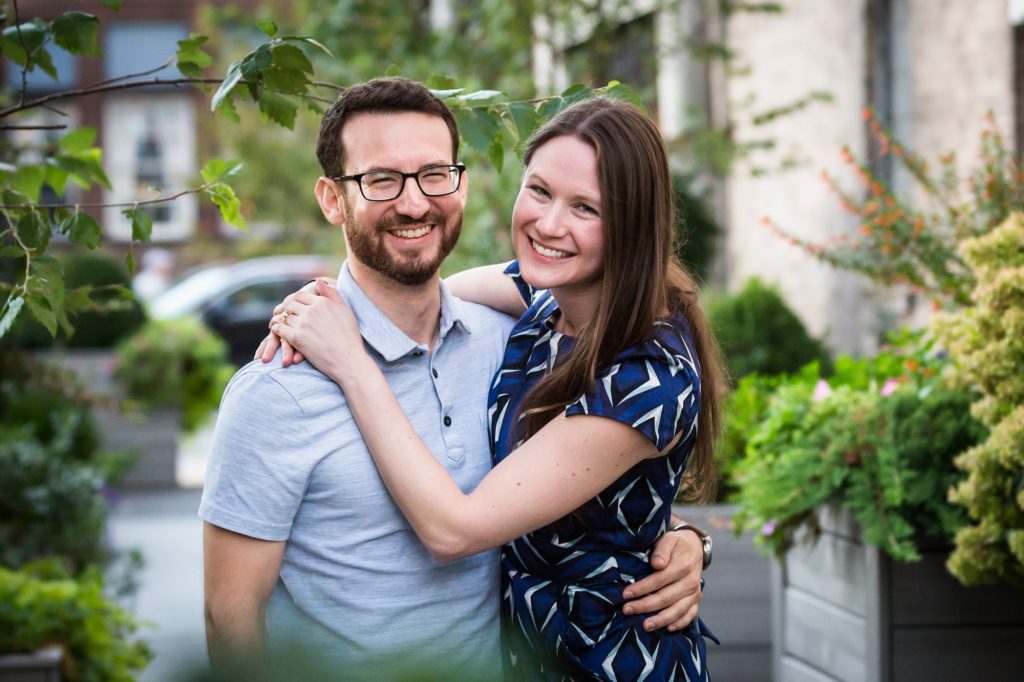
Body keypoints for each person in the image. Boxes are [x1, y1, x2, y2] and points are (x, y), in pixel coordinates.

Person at [201, 78, 706, 680]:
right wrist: (328, 313)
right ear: (333, 200)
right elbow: (228, 618)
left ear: (460, 184)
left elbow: (470, 525)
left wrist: (684, 538)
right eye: (380, 180)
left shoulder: (520, 348)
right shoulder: (280, 389)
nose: (414, 204)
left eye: (433, 174)